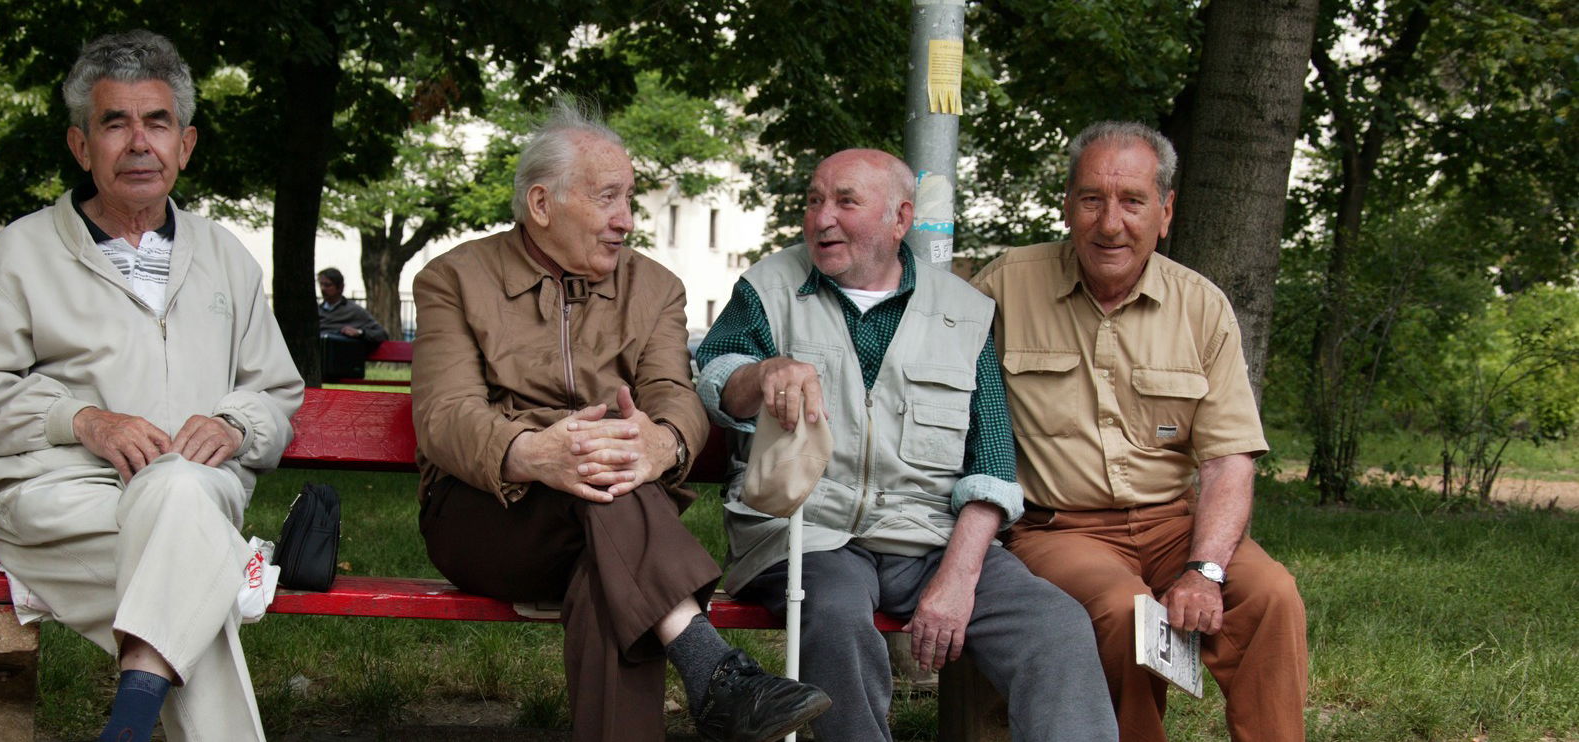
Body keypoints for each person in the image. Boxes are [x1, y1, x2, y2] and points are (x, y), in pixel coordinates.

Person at [0, 30, 303, 742]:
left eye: (156, 123)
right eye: (114, 122)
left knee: (182, 494)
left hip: (199, 480)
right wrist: (81, 419)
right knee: (196, 569)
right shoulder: (23, 253)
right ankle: (213, 583)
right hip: (60, 499)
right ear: (79, 144)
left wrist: (234, 425)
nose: (138, 143)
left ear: (184, 146)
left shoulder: (225, 257)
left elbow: (275, 394)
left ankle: (128, 719)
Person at [410, 101, 829, 742]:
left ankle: (715, 679)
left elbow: (674, 394)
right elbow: (445, 414)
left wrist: (662, 443)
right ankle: (712, 667)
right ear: (542, 204)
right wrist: (532, 452)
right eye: (608, 198)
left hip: (616, 530)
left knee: (611, 553)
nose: (625, 220)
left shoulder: (654, 288)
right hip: (489, 516)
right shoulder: (455, 279)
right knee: (611, 485)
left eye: (629, 198)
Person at [694, 148, 1117, 742]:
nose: (821, 218)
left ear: (900, 220)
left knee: (1055, 624)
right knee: (837, 612)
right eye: (814, 200)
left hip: (927, 539)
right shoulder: (768, 287)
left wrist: (958, 578)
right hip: (806, 530)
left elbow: (992, 464)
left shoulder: (964, 313)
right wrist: (759, 376)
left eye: (845, 202)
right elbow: (715, 378)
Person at [971, 121, 1308, 742]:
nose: (1110, 223)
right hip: (1059, 528)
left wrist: (1205, 570)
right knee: (1127, 615)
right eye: (1092, 199)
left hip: (1176, 525)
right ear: (1066, 205)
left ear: (1165, 211)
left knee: (1271, 595)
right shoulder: (1004, 286)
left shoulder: (1200, 306)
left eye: (1132, 202)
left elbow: (1229, 459)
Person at [316, 267, 388, 379]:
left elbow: (381, 334)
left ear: (340, 287)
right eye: (321, 284)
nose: (323, 289)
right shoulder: (315, 311)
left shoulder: (355, 311)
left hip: (343, 367)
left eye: (328, 285)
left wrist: (360, 333)